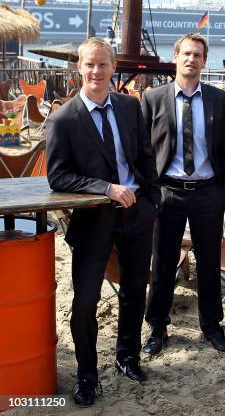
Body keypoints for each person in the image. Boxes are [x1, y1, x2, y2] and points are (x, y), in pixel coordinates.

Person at [46, 37, 160, 407]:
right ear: (79, 67)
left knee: (132, 293)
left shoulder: (130, 107)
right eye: (89, 65)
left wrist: (149, 200)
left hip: (136, 215)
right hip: (93, 221)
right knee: (85, 302)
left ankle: (128, 357)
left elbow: (145, 157)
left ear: (114, 68)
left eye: (103, 65)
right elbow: (59, 177)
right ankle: (87, 376)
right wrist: (105, 189)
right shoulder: (63, 118)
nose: (96, 71)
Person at [141, 33, 225, 355]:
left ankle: (211, 326)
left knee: (209, 263)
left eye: (198, 54)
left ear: (203, 61)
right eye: (186, 53)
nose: (191, 59)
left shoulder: (220, 100)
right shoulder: (153, 98)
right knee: (163, 263)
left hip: (208, 193)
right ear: (176, 56)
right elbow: (142, 150)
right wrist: (150, 191)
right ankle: (157, 326)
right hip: (168, 193)